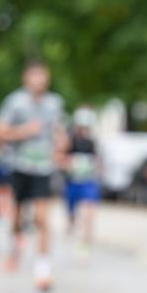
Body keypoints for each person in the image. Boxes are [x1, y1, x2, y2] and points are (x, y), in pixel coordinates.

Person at [0, 60, 66, 290]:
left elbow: (59, 131)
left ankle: (43, 271)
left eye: (42, 76)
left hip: (43, 168)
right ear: (26, 79)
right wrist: (24, 131)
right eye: (34, 76)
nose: (39, 81)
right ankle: (15, 247)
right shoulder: (15, 102)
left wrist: (61, 142)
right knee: (17, 218)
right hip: (19, 166)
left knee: (42, 218)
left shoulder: (55, 103)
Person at [61, 106, 101, 256]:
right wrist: (69, 163)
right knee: (72, 213)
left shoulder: (92, 142)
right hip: (72, 182)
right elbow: (60, 158)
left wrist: (95, 167)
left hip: (88, 182)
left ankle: (84, 245)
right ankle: (71, 222)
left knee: (88, 214)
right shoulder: (70, 141)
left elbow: (97, 160)